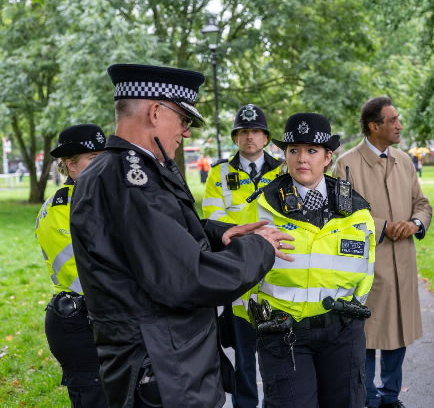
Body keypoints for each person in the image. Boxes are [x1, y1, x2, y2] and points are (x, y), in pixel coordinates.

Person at [69, 63, 294, 408]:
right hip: (164, 367)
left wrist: (222, 234)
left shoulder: (119, 170)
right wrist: (259, 248)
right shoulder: (133, 181)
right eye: (184, 119)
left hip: (160, 362)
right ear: (156, 112)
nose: (186, 132)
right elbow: (189, 277)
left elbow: (155, 235)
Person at [249, 112, 375, 408]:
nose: (301, 159)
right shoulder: (263, 205)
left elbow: (366, 271)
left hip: (342, 331)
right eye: (293, 150)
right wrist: (254, 322)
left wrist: (350, 311)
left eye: (311, 151)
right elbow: (246, 272)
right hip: (283, 331)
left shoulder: (356, 209)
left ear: (328, 157)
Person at [334, 97, 433, 408]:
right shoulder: (345, 164)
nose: (399, 125)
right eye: (393, 120)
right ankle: (368, 398)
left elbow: (423, 203)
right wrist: (384, 226)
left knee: (398, 333)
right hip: (367, 268)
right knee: (365, 335)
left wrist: (416, 223)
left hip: (402, 263)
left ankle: (390, 398)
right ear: (374, 126)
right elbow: (341, 212)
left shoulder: (404, 160)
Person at [202, 103, 282, 408]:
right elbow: (214, 220)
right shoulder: (219, 173)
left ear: (265, 137)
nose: (250, 137)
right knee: (244, 353)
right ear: (236, 137)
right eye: (244, 131)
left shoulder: (282, 171)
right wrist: (254, 237)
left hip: (276, 273)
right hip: (238, 273)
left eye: (256, 131)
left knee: (277, 351)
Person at [35, 124, 108, 408]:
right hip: (80, 325)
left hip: (109, 320)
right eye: (92, 158)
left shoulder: (104, 198)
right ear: (71, 165)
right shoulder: (59, 209)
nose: (102, 164)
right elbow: (86, 275)